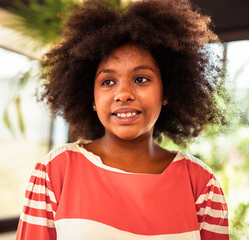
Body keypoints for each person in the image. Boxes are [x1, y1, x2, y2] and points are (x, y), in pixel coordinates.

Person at [15, 0, 230, 239]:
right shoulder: (54, 172)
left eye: (141, 79)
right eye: (108, 82)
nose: (123, 94)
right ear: (92, 97)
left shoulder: (201, 185)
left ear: (167, 90)